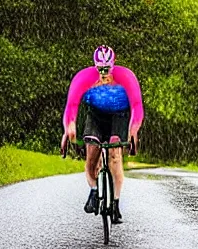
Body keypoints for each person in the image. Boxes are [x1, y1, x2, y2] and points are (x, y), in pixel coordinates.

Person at [60, 45, 144, 224]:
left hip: (119, 115)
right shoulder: (84, 78)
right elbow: (72, 106)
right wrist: (70, 125)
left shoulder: (126, 77)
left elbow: (137, 105)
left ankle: (115, 203)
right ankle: (93, 191)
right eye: (100, 69)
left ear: (113, 66)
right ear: (95, 66)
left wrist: (133, 129)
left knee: (114, 155)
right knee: (92, 156)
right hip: (96, 115)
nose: (104, 73)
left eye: (107, 69)